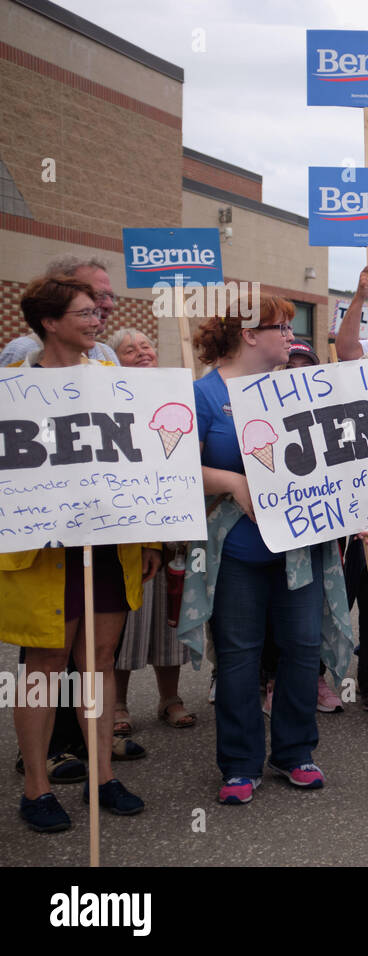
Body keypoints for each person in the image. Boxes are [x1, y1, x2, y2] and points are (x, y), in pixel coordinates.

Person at [3, 274, 159, 832]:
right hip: (45, 550)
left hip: (110, 543)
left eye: (98, 313)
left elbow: (149, 463)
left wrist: (154, 535)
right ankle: (37, 786)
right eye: (86, 313)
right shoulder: (14, 388)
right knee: (45, 662)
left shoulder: (117, 382)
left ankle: (102, 776)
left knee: (99, 658)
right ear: (49, 322)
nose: (98, 321)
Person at [190, 294, 359, 805]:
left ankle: (294, 751)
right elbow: (174, 469)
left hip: (300, 548)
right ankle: (239, 763)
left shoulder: (296, 389)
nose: (291, 337)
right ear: (247, 334)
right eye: (281, 328)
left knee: (303, 649)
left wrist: (356, 512)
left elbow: (332, 459)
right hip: (238, 551)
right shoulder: (201, 395)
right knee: (240, 658)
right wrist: (236, 484)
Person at [102, 329, 196, 735]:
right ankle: (119, 704)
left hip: (177, 526)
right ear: (113, 359)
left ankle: (170, 699)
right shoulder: (109, 402)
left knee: (172, 618)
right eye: (129, 349)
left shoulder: (177, 393)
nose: (142, 352)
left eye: (146, 346)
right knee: (129, 622)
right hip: (133, 531)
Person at [0, 255, 120, 367]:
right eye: (99, 294)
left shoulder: (107, 356)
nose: (109, 305)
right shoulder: (20, 352)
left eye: (111, 296)